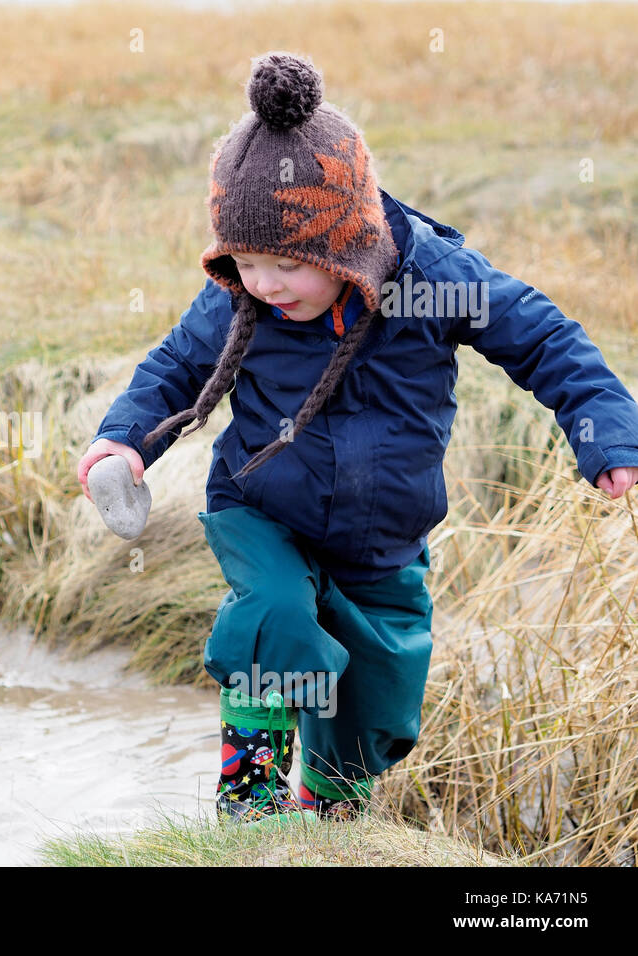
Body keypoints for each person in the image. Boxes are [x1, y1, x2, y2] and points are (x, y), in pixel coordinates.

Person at [76, 51, 638, 826]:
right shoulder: (245, 302)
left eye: (285, 265)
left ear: (343, 246)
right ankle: (252, 802)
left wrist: (607, 431)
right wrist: (123, 444)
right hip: (263, 507)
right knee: (273, 617)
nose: (265, 284)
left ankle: (335, 812)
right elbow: (175, 369)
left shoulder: (432, 278)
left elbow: (543, 338)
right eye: (244, 262)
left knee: (373, 702)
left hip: (384, 536)